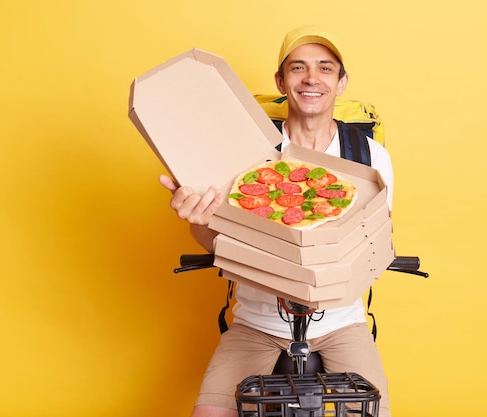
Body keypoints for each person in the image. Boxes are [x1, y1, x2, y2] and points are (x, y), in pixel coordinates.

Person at [159, 25, 394, 417]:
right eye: (298, 68)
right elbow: (212, 239)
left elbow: (376, 240)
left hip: (341, 323)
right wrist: (197, 218)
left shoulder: (370, 157)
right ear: (281, 81)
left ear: (341, 81)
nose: (312, 78)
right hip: (257, 322)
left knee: (374, 413)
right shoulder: (245, 150)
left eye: (325, 68)